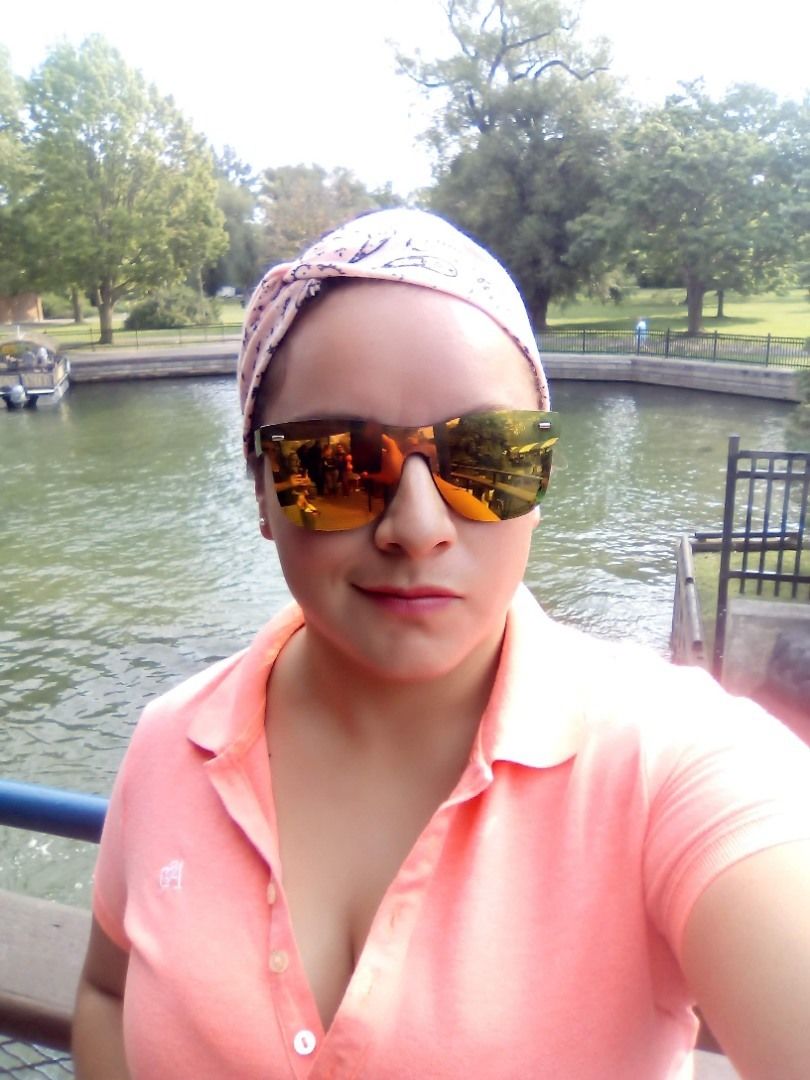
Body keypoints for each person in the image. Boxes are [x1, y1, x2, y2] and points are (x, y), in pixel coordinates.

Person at [73, 209, 810, 1079]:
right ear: (263, 492)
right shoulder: (170, 743)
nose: (417, 527)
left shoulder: (669, 763)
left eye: (488, 456)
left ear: (541, 479)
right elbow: (109, 990)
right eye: (338, 463)